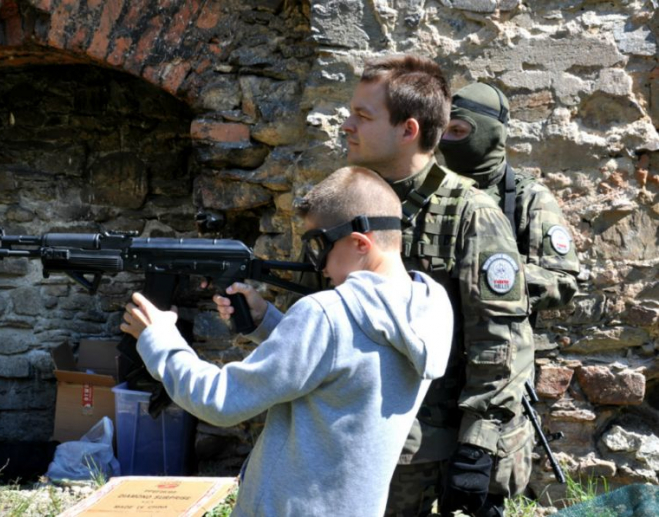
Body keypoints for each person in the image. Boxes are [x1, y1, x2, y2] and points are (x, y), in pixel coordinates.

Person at [214, 55, 535, 517]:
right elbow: (329, 327)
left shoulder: (471, 216)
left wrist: (479, 445)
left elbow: (501, 343)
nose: (345, 126)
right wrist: (267, 319)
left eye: (362, 117)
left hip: (419, 451)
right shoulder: (345, 198)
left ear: (408, 130)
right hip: (334, 437)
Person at [121, 166, 454, 517]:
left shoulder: (327, 314)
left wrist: (158, 338)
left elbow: (220, 401)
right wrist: (268, 322)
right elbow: (347, 365)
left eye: (319, 247)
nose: (319, 265)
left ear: (360, 243)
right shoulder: (427, 307)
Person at [438, 82, 580, 318]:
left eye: (458, 131)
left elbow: (563, 283)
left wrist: (491, 273)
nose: (447, 141)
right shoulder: (434, 190)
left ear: (490, 134)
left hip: (502, 346)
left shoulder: (529, 197)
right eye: (444, 131)